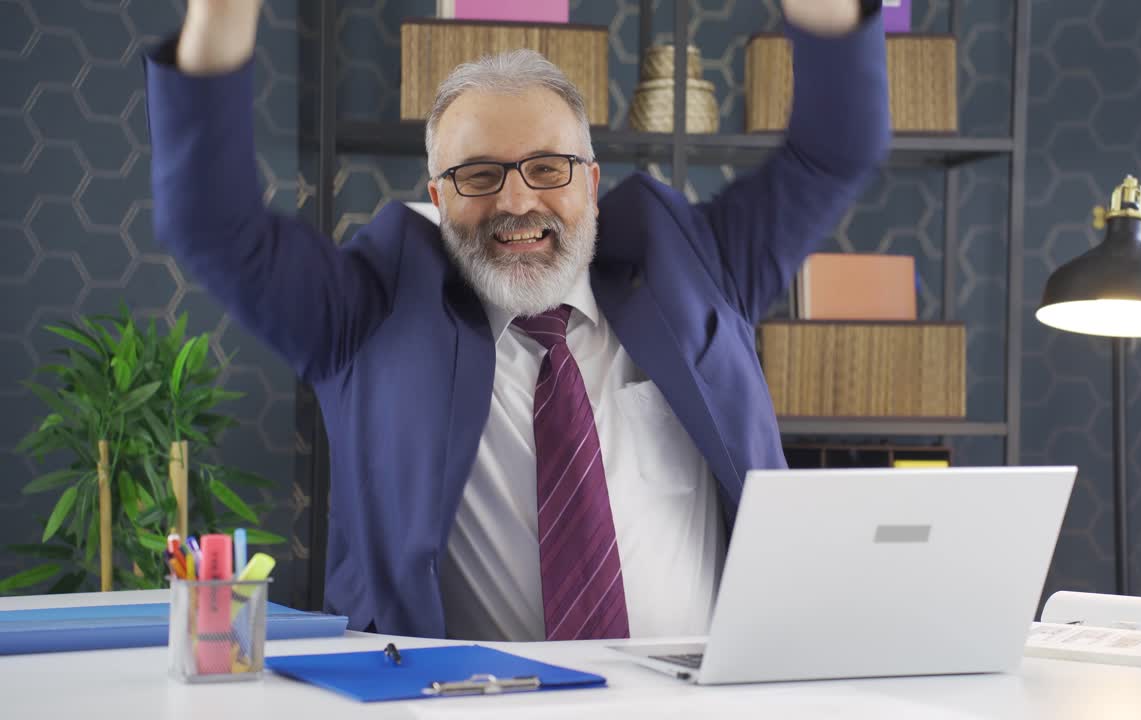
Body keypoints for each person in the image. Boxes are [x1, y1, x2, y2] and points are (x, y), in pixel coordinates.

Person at [145, 0, 889, 641]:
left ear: (592, 185)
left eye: (547, 168)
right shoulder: (362, 314)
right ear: (436, 198)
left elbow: (835, 151)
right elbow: (212, 221)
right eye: (478, 175)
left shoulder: (697, 265)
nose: (517, 202)